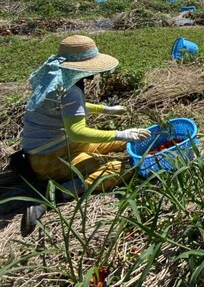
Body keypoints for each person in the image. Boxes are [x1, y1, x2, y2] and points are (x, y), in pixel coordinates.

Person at [19, 35, 151, 235]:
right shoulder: (71, 91)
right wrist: (122, 133)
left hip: (48, 151)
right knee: (124, 167)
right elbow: (76, 131)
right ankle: (56, 195)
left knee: (116, 146)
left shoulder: (55, 81)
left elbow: (70, 109)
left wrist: (105, 110)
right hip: (52, 160)